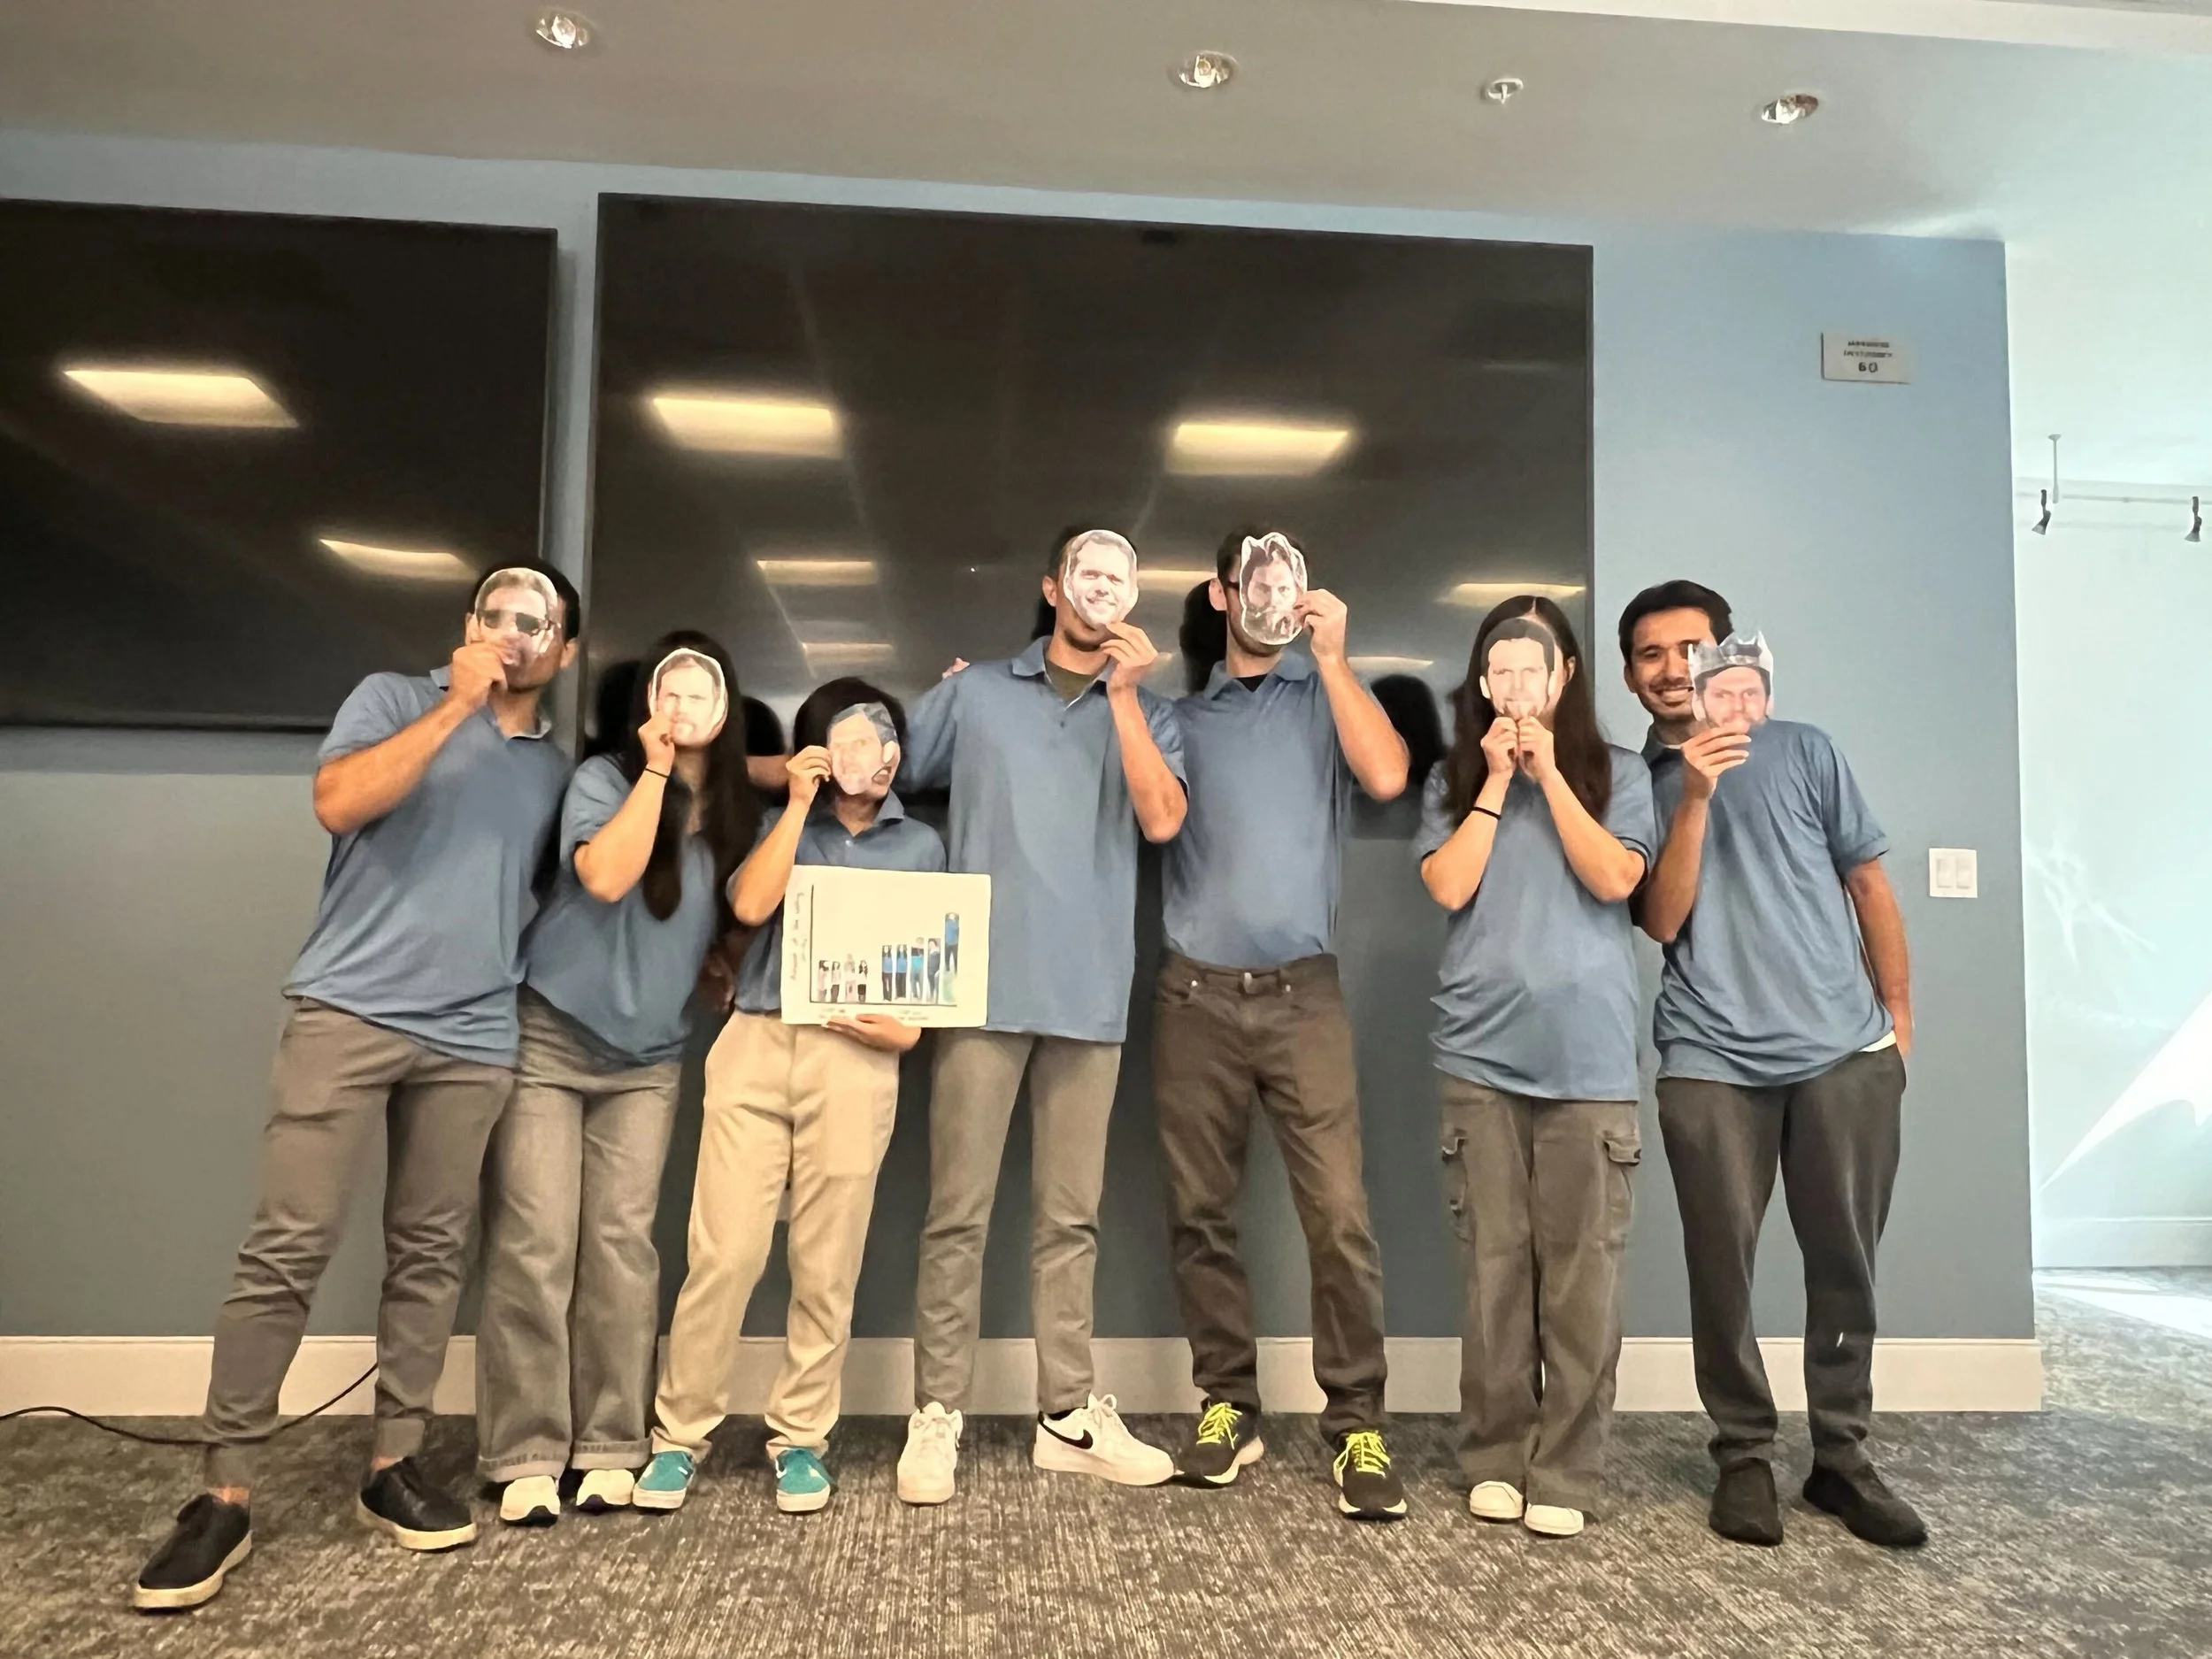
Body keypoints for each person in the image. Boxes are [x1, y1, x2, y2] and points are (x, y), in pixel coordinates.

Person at [132, 565, 580, 1612]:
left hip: (474, 1036)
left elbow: (555, 892)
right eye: (499, 614)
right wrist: (456, 705)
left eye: (539, 623)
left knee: (430, 1254)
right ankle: (224, 1494)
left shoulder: (555, 771)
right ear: (469, 624)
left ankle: (393, 1466)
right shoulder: (392, 698)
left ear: (563, 650)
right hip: (348, 1012)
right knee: (285, 1246)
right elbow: (337, 804)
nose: (516, 633)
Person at [1619, 579, 1924, 1550]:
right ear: (1629, 676)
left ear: (1726, 655)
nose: (1673, 668)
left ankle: (1841, 1457)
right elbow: (1659, 920)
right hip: (1708, 1054)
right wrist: (1695, 792)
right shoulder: (1632, 786)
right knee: (1723, 1270)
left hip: (1842, 1052)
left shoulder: (1804, 750)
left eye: (1690, 648)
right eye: (1651, 654)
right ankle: (1743, 1454)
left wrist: (1897, 1020)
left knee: (1845, 1264)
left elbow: (1868, 882)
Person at [895, 526, 1187, 1504]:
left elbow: (1162, 819)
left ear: (1132, 596)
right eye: (1085, 574)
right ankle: (937, 1411)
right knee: (956, 1212)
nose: (1100, 589)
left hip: (1089, 988)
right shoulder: (976, 693)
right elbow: (882, 771)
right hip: (978, 985)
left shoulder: (1150, 709)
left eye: (1118, 578)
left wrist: (1125, 696)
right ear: (1053, 587)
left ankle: (1067, 1414)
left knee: (1072, 1216)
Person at [633, 679, 943, 1516]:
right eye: (852, 741)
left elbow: (930, 957)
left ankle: (801, 1435)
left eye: (883, 741)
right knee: (724, 1252)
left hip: (857, 1057)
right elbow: (748, 902)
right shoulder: (779, 822)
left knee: (827, 1260)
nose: (871, 757)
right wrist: (800, 805)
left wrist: (909, 1030)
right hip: (760, 1040)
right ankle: (678, 1434)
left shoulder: (920, 844)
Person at [1154, 528, 1413, 1521]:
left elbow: (1386, 777)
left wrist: (1335, 659)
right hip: (1194, 996)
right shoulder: (1181, 716)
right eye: (1252, 582)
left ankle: (1357, 1423)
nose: (1268, 595)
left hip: (1304, 994)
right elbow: (1150, 810)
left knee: (1339, 1215)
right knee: (1199, 1212)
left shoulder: (1323, 697)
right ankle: (1227, 1404)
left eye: (1283, 581)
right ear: (1223, 595)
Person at [472, 634, 758, 1526]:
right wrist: (658, 770)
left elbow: (731, 907)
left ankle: (608, 1444)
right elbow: (604, 876)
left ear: (727, 706)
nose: (682, 704)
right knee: (536, 1243)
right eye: (668, 689)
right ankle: (524, 1452)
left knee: (622, 1250)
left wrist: (717, 962)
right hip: (550, 1035)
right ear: (643, 705)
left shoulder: (734, 810)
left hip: (649, 1059)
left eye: (701, 691)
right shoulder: (603, 780)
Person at [1415, 596, 1654, 1540]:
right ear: (1483, 684)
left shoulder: (1620, 772)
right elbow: (1448, 883)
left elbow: (1617, 878)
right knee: (1494, 1270)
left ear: (1562, 680)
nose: (1517, 688)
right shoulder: (1452, 777)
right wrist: (1491, 782)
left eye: (1534, 671)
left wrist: (1549, 775)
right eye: (1501, 672)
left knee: (1583, 1279)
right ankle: (1494, 1456)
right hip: (1479, 1058)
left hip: (1589, 1062)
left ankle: (1567, 1468)